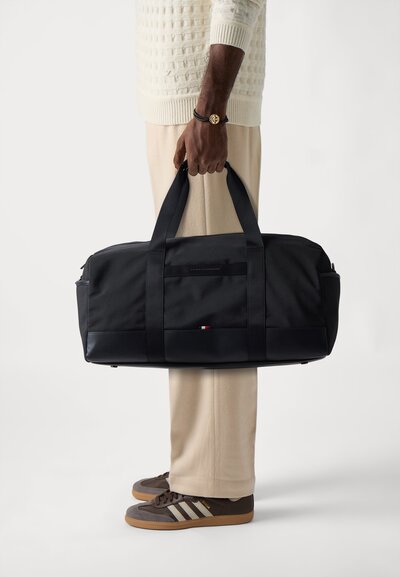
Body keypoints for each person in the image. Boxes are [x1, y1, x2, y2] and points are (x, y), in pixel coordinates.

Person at [125, 0, 266, 530]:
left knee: (213, 304)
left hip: (201, 109)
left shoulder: (207, 113)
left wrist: (209, 112)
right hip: (181, 103)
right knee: (189, 307)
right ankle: (199, 462)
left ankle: (218, 485)